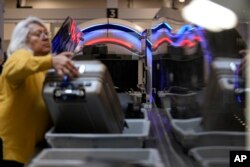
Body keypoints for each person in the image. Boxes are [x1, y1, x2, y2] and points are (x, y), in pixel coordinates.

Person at [0, 16, 79, 166]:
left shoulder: (41, 69)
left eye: (46, 34)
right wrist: (52, 60)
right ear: (23, 40)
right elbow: (14, 67)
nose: (45, 37)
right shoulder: (20, 56)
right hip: (11, 153)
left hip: (32, 150)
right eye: (38, 34)